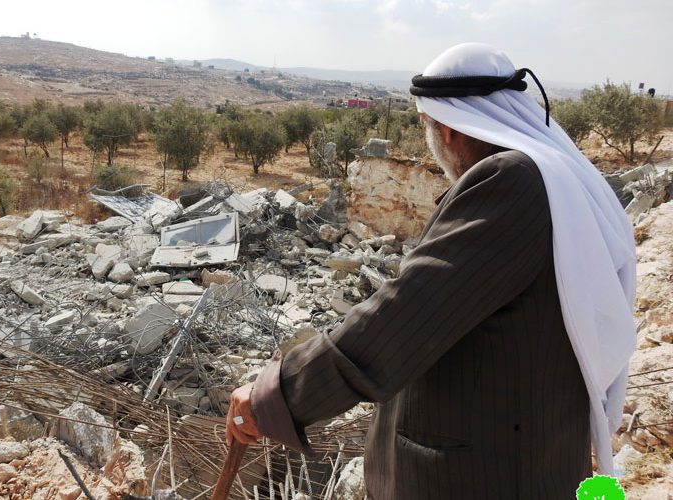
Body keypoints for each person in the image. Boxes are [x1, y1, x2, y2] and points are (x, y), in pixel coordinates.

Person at [225, 43, 637, 499]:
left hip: (483, 473)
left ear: (450, 130)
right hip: (529, 445)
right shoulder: (550, 178)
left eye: (427, 126)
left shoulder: (510, 182)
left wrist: (278, 394)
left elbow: (408, 314)